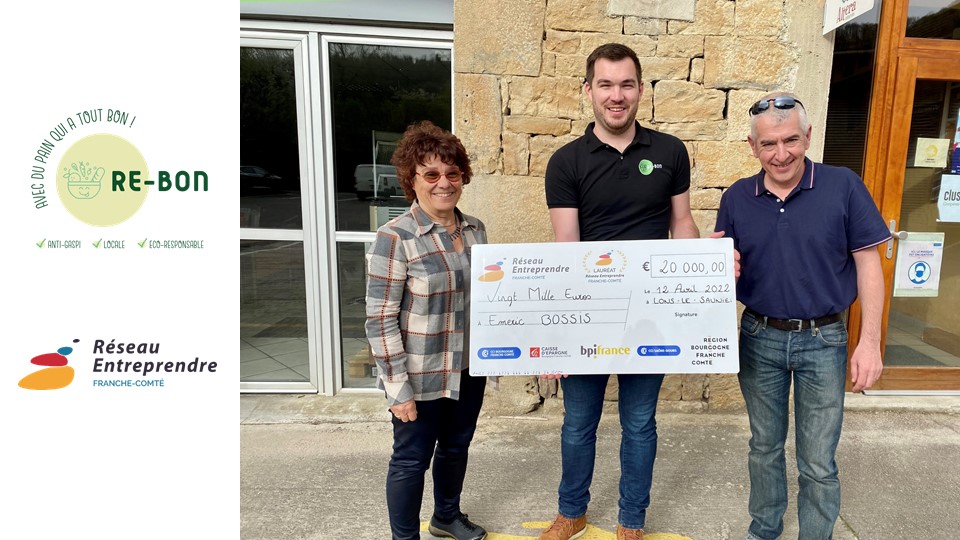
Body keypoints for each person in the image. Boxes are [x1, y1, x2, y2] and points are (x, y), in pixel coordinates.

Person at [540, 43, 701, 540]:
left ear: (640, 90)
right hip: (587, 316)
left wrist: (703, 272)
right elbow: (566, 249)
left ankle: (631, 521)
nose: (617, 95)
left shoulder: (670, 152)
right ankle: (572, 512)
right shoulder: (565, 162)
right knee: (577, 424)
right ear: (588, 90)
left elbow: (681, 223)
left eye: (626, 84)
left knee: (640, 423)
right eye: (606, 85)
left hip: (649, 317)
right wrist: (556, 336)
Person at [714, 92, 890, 540]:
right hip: (759, 336)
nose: (781, 154)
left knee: (818, 460)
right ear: (752, 147)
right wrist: (718, 267)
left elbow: (869, 264)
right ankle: (764, 530)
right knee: (764, 447)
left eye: (790, 140)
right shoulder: (736, 197)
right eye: (769, 144)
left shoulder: (843, 186)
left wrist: (869, 343)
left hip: (825, 340)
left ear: (808, 137)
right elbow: (720, 272)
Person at [365, 121, 488, 540]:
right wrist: (397, 389)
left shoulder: (475, 229)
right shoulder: (395, 237)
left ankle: (446, 517)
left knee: (456, 447)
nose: (444, 183)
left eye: (452, 173)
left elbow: (489, 298)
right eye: (431, 174)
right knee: (410, 460)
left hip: (467, 368)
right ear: (411, 179)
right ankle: (405, 538)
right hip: (419, 374)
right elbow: (380, 318)